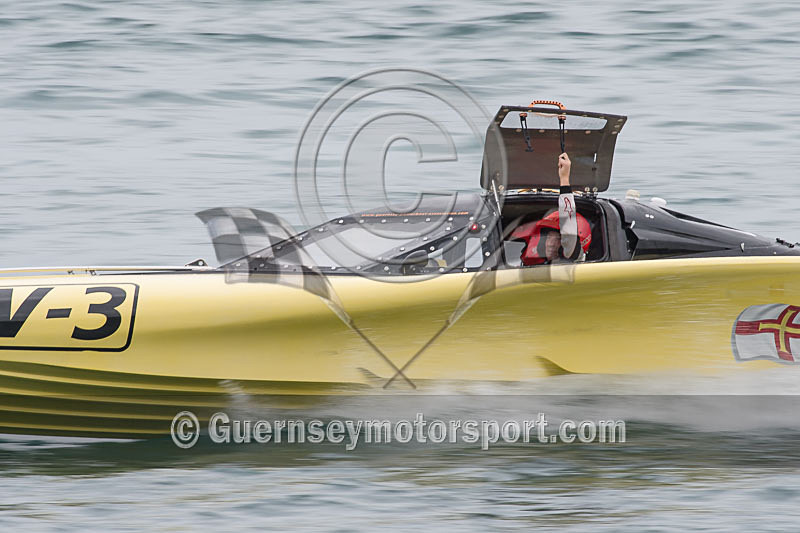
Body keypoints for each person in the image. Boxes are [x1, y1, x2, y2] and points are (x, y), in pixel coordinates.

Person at [512, 153, 592, 266]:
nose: (550, 244)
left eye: (558, 238)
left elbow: (568, 222)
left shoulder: (571, 258)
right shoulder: (538, 267)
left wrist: (564, 179)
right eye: (549, 237)